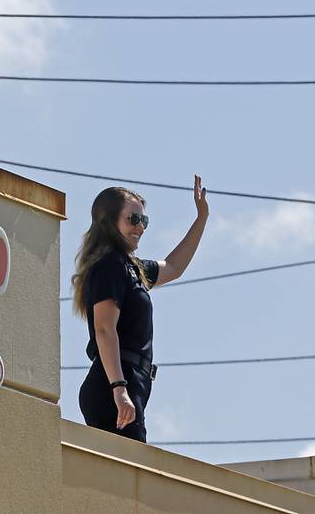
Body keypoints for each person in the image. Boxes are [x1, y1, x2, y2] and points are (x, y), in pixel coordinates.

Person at [72, 176, 208, 442]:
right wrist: (119, 388)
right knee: (125, 475)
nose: (140, 227)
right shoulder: (110, 265)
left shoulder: (130, 267)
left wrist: (201, 218)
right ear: (110, 222)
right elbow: (104, 329)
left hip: (130, 382)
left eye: (143, 221)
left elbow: (174, 267)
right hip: (114, 384)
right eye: (133, 219)